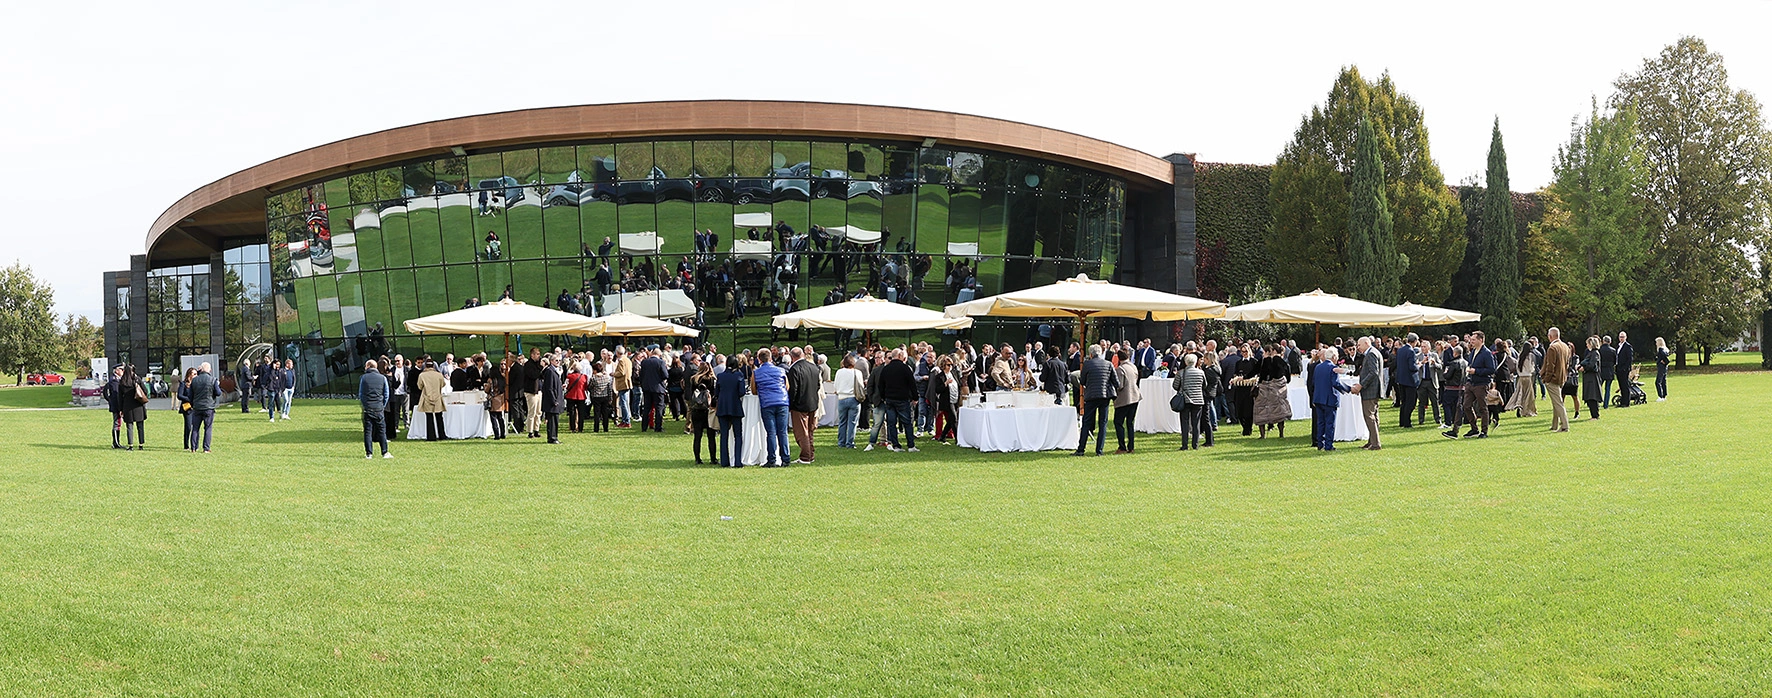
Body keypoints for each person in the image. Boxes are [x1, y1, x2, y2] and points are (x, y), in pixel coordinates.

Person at [751, 349, 791, 466]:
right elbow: (787, 386)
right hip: (782, 402)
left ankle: (772, 459)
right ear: (771, 358)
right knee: (783, 432)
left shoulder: (756, 373)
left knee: (771, 433)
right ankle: (785, 459)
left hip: (767, 403)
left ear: (759, 359)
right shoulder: (781, 370)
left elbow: (753, 391)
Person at [877, 348, 918, 452]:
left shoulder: (886, 369)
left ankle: (895, 445)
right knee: (907, 423)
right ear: (900, 356)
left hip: (889, 399)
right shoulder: (905, 368)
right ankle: (911, 445)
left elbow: (880, 385)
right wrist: (915, 397)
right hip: (902, 399)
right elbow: (912, 384)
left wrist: (883, 397)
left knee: (891, 423)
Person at [1075, 346, 1114, 457]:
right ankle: (1099, 450)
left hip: (1091, 396)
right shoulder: (1108, 364)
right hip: (1104, 396)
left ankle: (1081, 449)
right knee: (1103, 423)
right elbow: (1115, 381)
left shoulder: (1087, 364)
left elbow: (1082, 381)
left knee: (1086, 423)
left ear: (1091, 354)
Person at [786, 347, 823, 464]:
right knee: (810, 431)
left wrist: (791, 404)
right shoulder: (814, 367)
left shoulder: (794, 369)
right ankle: (810, 455)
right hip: (813, 403)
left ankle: (805, 457)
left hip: (799, 405)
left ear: (792, 357)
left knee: (802, 433)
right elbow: (818, 385)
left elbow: (793, 390)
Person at [1311, 347, 1351, 451]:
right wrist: (1349, 389)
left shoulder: (1318, 367)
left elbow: (1314, 383)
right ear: (1333, 357)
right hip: (1329, 399)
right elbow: (1336, 383)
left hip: (1318, 398)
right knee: (1330, 423)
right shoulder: (1332, 368)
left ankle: (1320, 444)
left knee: (1321, 422)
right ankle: (1328, 445)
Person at [1351, 337, 1385, 450]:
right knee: (1373, 416)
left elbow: (1373, 372)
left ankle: (1375, 443)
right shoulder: (1374, 352)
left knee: (1369, 416)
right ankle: (1372, 441)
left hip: (1370, 390)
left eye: (1359, 345)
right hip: (1374, 390)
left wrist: (1361, 385)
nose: (1358, 347)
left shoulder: (1371, 354)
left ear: (1366, 343)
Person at [715, 355, 749, 467]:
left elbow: (716, 393)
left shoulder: (720, 376)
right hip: (735, 406)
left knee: (724, 435)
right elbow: (741, 392)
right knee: (738, 435)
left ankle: (725, 461)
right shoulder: (739, 375)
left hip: (723, 406)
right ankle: (738, 461)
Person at [1253, 343, 1291, 439]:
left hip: (1264, 389)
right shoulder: (1281, 361)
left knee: (1261, 410)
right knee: (1279, 411)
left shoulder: (1265, 361)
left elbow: (1260, 373)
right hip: (1278, 389)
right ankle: (1281, 433)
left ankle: (1263, 435)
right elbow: (1288, 373)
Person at [358, 360, 392, 459]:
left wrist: (365, 405)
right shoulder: (382, 378)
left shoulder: (363, 378)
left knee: (368, 431)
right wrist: (382, 405)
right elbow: (386, 394)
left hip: (368, 407)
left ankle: (369, 453)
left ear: (368, 366)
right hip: (379, 408)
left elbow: (361, 394)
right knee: (382, 431)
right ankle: (384, 452)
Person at [687, 361, 718, 464]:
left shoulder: (694, 379)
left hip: (696, 410)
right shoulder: (711, 379)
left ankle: (697, 459)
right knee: (711, 436)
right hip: (707, 410)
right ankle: (713, 458)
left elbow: (691, 394)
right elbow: (714, 396)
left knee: (697, 436)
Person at [1541, 328, 1572, 432]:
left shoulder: (1552, 348)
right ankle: (1554, 425)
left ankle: (1564, 426)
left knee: (1558, 403)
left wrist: (1546, 378)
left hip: (1553, 379)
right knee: (1556, 402)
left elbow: (1550, 366)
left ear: (1550, 336)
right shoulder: (1565, 347)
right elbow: (1567, 363)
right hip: (1562, 377)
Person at [1112, 348, 1142, 454]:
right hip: (1135, 396)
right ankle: (1131, 446)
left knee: (1118, 422)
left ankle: (1122, 447)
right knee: (1130, 423)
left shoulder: (1120, 369)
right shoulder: (1133, 366)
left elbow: (1119, 385)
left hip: (1125, 398)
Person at [111, 365, 148, 450]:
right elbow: (145, 391)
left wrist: (120, 409)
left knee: (129, 426)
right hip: (138, 405)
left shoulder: (122, 382)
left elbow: (120, 397)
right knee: (140, 426)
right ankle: (141, 444)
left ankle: (131, 445)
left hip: (127, 406)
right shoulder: (137, 379)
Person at [1174, 353, 1206, 451]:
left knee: (1185, 423)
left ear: (1185, 362)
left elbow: (1175, 386)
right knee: (1196, 423)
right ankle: (1195, 445)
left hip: (1185, 399)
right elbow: (1205, 385)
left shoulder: (1181, 373)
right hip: (1198, 400)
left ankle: (1184, 445)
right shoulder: (1201, 373)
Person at [833, 355, 865, 448]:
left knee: (842, 422)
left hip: (842, 398)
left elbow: (835, 386)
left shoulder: (839, 372)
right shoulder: (857, 372)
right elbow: (861, 386)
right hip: (853, 398)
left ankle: (841, 442)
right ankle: (850, 442)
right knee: (852, 422)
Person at [928, 356, 960, 443]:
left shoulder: (953, 374)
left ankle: (942, 436)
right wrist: (945, 383)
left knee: (950, 420)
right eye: (948, 365)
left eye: (951, 365)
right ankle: (958, 439)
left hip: (955, 399)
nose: (950, 367)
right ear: (943, 366)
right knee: (954, 418)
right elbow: (938, 390)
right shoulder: (939, 376)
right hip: (947, 401)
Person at [416, 360, 447, 441]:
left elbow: (419, 386)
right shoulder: (439, 375)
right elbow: (443, 384)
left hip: (427, 397)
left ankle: (431, 436)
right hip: (437, 397)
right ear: (433, 366)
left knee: (429, 417)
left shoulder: (422, 375)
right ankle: (442, 435)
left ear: (425, 366)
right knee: (439, 417)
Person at [1506, 339, 1537, 418]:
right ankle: (1527, 410)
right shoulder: (1530, 356)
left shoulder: (1520, 355)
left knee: (1520, 393)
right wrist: (1532, 370)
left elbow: (1517, 366)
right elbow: (1531, 367)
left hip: (1521, 377)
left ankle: (1519, 406)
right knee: (1528, 395)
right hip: (1527, 377)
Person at [1394, 333, 1419, 427]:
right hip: (1410, 380)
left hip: (1401, 378)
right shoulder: (1410, 351)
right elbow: (1412, 367)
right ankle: (1407, 422)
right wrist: (1419, 365)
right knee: (1410, 402)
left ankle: (1402, 421)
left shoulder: (1400, 350)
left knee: (1403, 401)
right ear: (1415, 341)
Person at [540, 356, 564, 443]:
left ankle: (553, 437)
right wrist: (554, 400)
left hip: (556, 399)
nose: (558, 362)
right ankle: (552, 438)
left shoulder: (555, 371)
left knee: (555, 420)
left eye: (559, 360)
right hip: (552, 401)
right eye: (556, 360)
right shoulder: (550, 371)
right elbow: (549, 388)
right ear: (551, 361)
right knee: (552, 421)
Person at [589, 360, 615, 433]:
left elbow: (590, 387)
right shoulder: (606, 378)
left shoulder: (593, 378)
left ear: (595, 370)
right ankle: (605, 428)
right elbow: (609, 389)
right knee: (605, 413)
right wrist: (610, 398)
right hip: (605, 397)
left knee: (597, 413)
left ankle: (596, 428)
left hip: (596, 397)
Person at [1581, 336, 1603, 420]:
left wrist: (1584, 368)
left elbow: (1593, 365)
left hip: (1593, 378)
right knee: (1589, 397)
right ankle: (1593, 415)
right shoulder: (1591, 353)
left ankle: (1595, 415)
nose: (1586, 345)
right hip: (1589, 378)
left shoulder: (1595, 353)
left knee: (1592, 397)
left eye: (1587, 343)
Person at [487, 358, 509, 440]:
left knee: (493, 418)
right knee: (500, 417)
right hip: (501, 399)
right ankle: (503, 433)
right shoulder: (502, 379)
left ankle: (497, 434)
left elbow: (487, 390)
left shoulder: (491, 380)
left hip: (493, 400)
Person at [176, 368, 197, 451]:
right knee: (188, 426)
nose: (196, 375)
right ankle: (186, 444)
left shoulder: (196, 383)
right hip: (187, 407)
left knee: (195, 426)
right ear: (189, 375)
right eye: (194, 374)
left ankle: (195, 445)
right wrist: (189, 399)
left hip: (195, 407)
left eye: (196, 374)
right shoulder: (183, 384)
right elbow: (179, 395)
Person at [564, 363, 589, 433]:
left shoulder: (569, 376)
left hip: (571, 395)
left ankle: (573, 428)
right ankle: (580, 428)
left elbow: (566, 385)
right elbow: (586, 387)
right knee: (581, 413)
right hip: (581, 396)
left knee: (571, 412)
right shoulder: (584, 377)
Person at [1614, 332, 1634, 408]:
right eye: (1620, 337)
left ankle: (1626, 402)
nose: (1621, 338)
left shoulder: (1628, 346)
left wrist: (1625, 368)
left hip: (1624, 369)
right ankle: (1622, 401)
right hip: (1618, 368)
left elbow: (1629, 359)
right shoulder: (1618, 346)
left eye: (1623, 337)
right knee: (1621, 386)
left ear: (1626, 337)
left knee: (1625, 385)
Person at [1598, 335, 1618, 409]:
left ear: (1603, 341)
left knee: (1599, 387)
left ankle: (1598, 402)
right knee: (1608, 388)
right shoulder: (1613, 350)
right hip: (1610, 371)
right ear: (1610, 342)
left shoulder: (1599, 350)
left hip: (1601, 371)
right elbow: (1615, 361)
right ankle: (1606, 404)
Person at [1654, 336, 1670, 401]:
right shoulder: (1665, 349)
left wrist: (1665, 361)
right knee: (1663, 381)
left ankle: (1660, 396)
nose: (1656, 344)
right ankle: (1664, 395)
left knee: (1658, 382)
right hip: (1664, 368)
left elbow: (1664, 357)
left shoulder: (1660, 349)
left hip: (1661, 367)